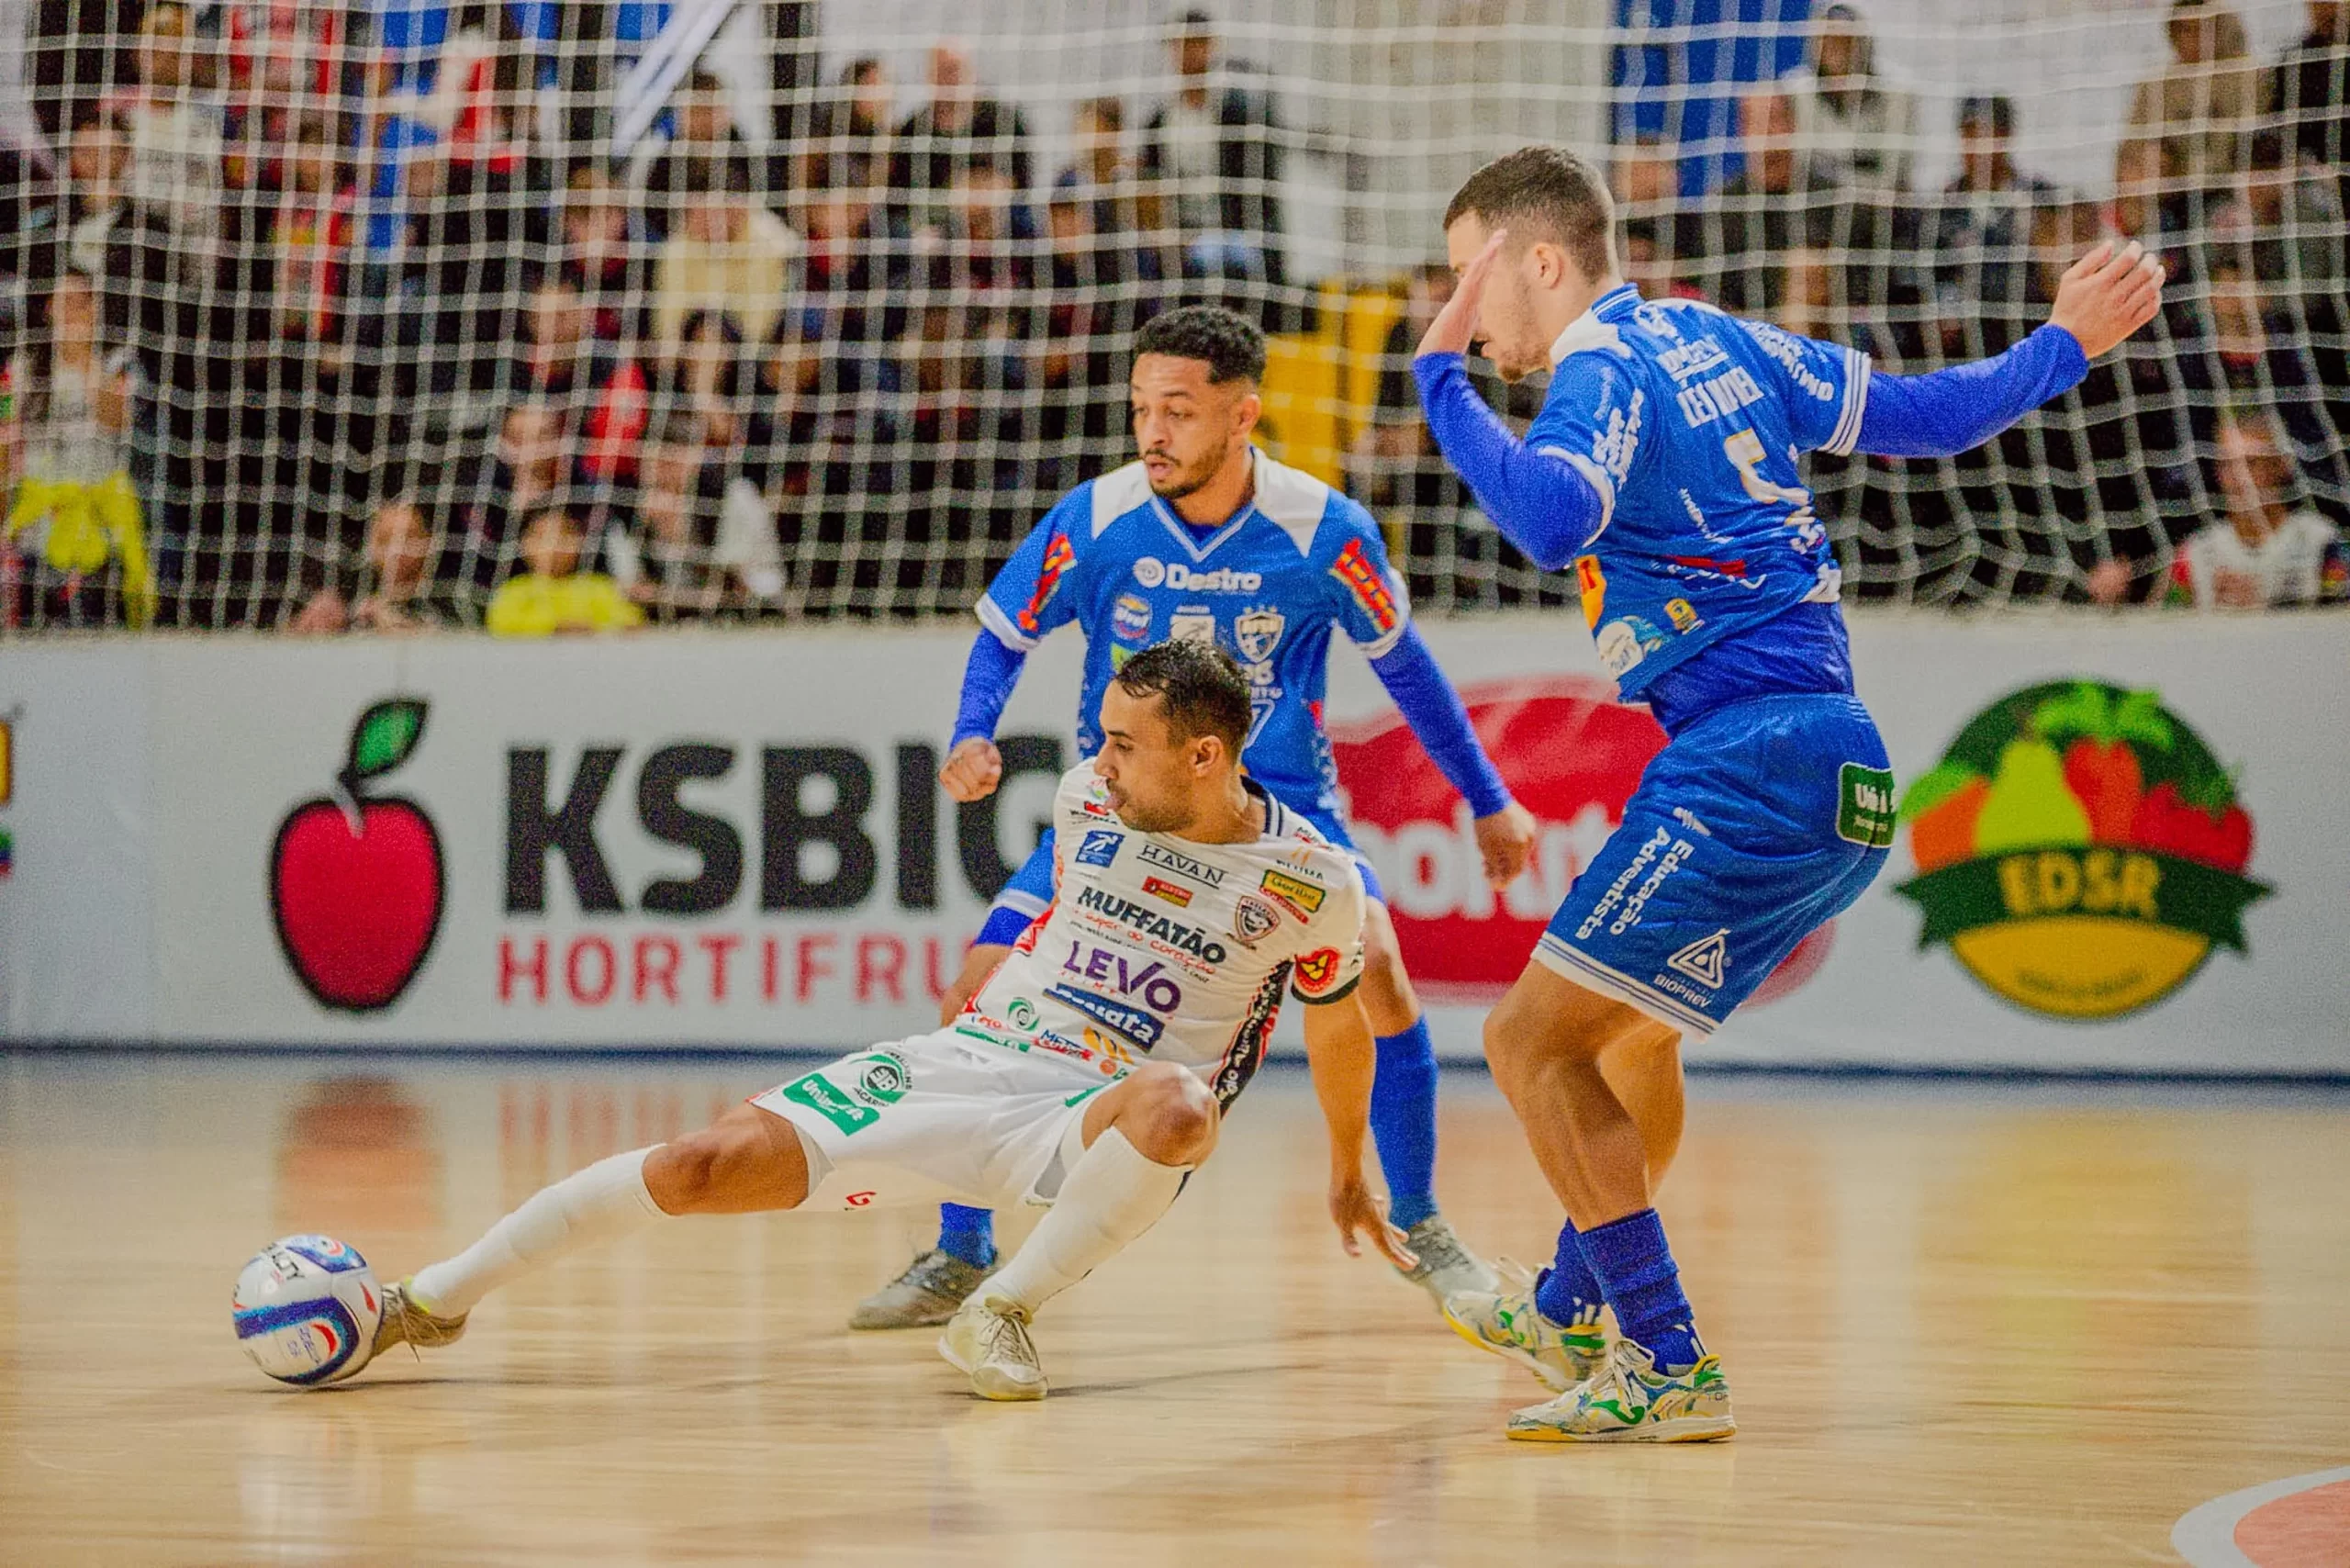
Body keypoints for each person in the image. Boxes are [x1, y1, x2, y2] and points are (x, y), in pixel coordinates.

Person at [1411, 145, 2162, 1440]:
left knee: (1530, 1043)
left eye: (1465, 278)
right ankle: (1567, 1312)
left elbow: (1546, 517)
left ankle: (1668, 1363)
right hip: (1840, 762)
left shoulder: (1600, 365)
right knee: (1629, 1040)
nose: (1463, 314)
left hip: (1745, 761)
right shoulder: (1720, 338)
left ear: (1541, 261)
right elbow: (1927, 417)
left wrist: (1439, 386)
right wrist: (2061, 344)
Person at [354, 639, 1405, 1402]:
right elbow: (1056, 907)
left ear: (1207, 757)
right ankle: (433, 1298)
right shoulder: (1090, 793)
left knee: (1180, 1104)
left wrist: (1349, 1161)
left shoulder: (1314, 885)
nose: (1101, 758)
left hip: (1098, 1113)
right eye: (1105, 740)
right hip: (971, 1061)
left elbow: (1335, 1017)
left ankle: (1001, 1309)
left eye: (1127, 744)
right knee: (699, 1164)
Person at [847, 304, 1537, 1333]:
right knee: (973, 995)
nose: (1152, 431)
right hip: (1119, 820)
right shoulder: (1095, 517)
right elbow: (1000, 633)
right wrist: (971, 728)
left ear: (1244, 414)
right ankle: (960, 1247)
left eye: (1178, 410)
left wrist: (1488, 798)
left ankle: (1425, 1223)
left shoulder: (1324, 529)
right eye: (1140, 409)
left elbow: (1409, 671)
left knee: (1382, 980)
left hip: (1278, 821)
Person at [2161, 410, 2348, 607]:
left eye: (2251, 463)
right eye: (2227, 465)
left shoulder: (2319, 540)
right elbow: (2163, 623)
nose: (2238, 478)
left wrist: (2263, 608)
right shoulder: (2195, 552)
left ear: (2280, 466)